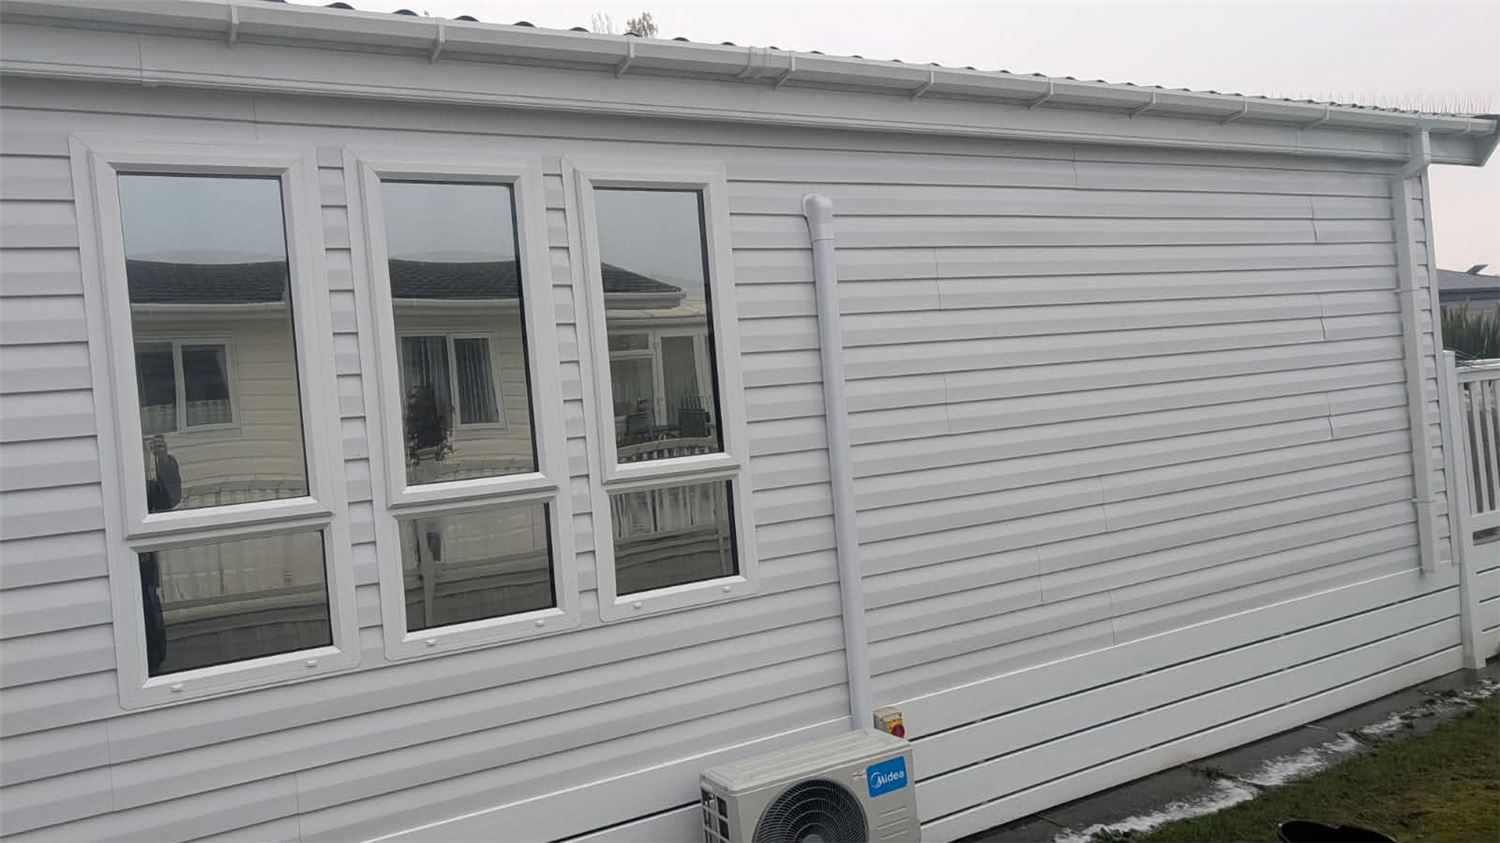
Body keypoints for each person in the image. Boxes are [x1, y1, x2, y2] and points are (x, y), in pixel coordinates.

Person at [140, 434, 180, 674]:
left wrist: (163, 460)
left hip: (146, 570)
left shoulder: (148, 484)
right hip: (127, 573)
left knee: (154, 640)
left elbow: (170, 499)